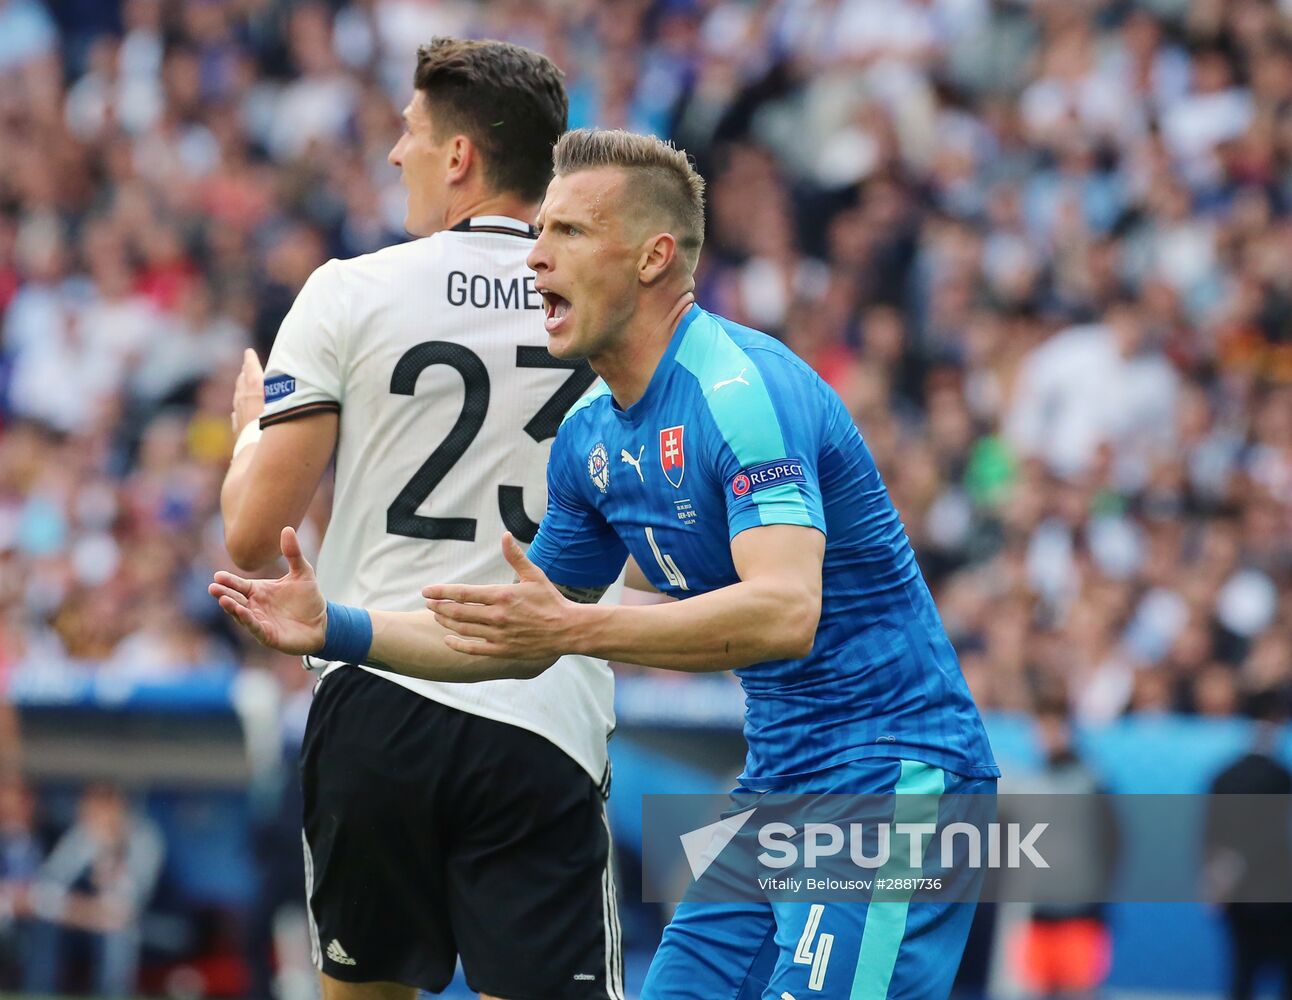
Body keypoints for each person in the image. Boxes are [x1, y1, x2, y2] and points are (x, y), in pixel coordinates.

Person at [212, 127, 998, 999]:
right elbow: (516, 637)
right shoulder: (589, 437)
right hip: (779, 779)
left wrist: (580, 626)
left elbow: (785, 611)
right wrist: (339, 628)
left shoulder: (742, 393)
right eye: (540, 232)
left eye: (569, 235)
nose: (536, 260)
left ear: (655, 257)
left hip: (891, 773)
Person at [216, 40, 624, 1000]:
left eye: (410, 133)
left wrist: (246, 438)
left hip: (376, 690)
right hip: (542, 701)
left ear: (459, 159)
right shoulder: (605, 309)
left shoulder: (350, 290)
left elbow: (251, 532)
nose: (396, 154)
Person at [21, 783, 164, 998]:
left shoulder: (144, 837)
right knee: (45, 925)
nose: (90, 813)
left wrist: (108, 854)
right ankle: (39, 994)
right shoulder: (82, 836)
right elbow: (44, 890)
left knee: (118, 932)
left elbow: (126, 906)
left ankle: (113, 995)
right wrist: (84, 913)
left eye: (99, 806)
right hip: (85, 918)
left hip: (148, 922)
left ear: (117, 807)